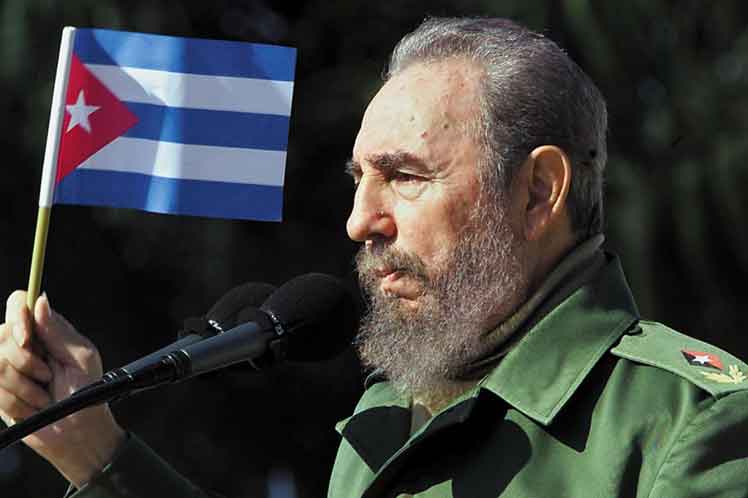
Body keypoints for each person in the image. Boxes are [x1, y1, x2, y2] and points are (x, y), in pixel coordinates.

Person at [2, 16, 747, 498]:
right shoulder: (385, 416)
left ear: (538, 191)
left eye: (406, 177)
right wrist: (92, 448)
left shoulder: (689, 422)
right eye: (358, 179)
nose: (360, 221)